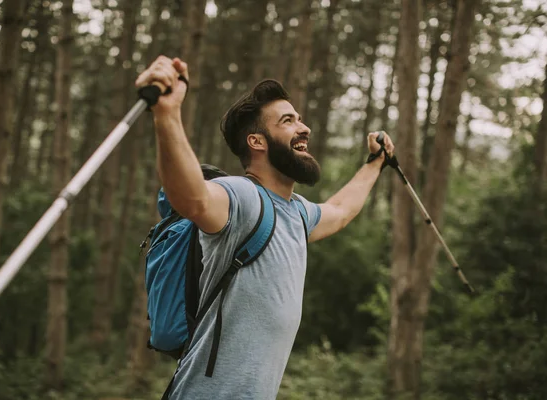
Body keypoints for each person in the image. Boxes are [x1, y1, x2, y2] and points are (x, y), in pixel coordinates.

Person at [135, 56, 395, 400]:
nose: (304, 128)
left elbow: (340, 210)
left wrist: (375, 164)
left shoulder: (297, 213)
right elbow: (194, 199)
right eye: (288, 121)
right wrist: (167, 115)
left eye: (300, 119)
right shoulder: (243, 196)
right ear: (257, 142)